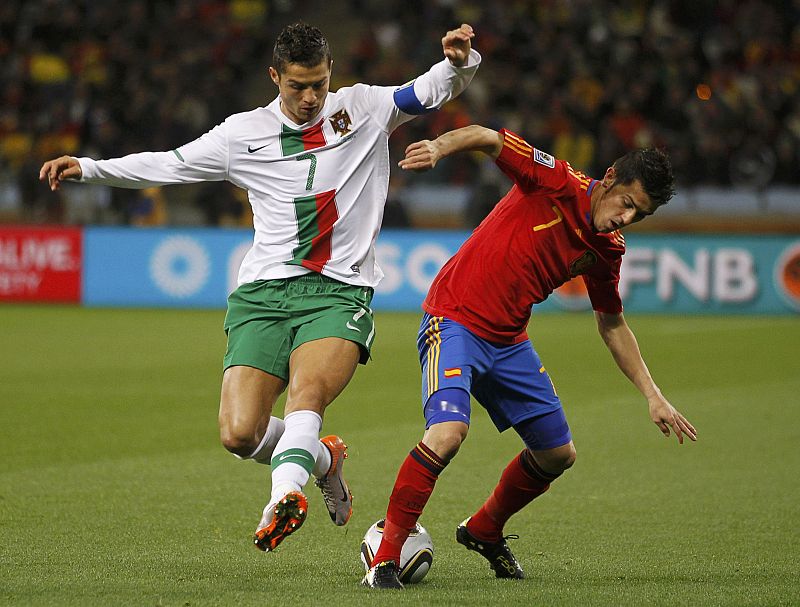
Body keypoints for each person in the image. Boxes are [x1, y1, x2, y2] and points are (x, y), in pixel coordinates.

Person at [39, 22, 481, 553]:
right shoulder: (239, 135)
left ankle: (284, 495)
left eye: (318, 83)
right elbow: (168, 164)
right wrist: (87, 168)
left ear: (330, 74)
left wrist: (457, 63)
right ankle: (322, 458)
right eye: (297, 86)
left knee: (307, 393)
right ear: (275, 77)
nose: (310, 96)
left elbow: (430, 89)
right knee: (239, 433)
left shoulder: (364, 108)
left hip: (338, 290)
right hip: (264, 294)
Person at [362, 125, 697, 589]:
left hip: (509, 341)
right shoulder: (555, 179)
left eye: (639, 214)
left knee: (558, 454)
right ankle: (385, 559)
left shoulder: (607, 250)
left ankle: (483, 528)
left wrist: (653, 395)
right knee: (448, 432)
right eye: (626, 202)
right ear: (611, 177)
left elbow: (612, 323)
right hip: (454, 321)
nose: (626, 217)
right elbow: (488, 136)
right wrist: (439, 147)